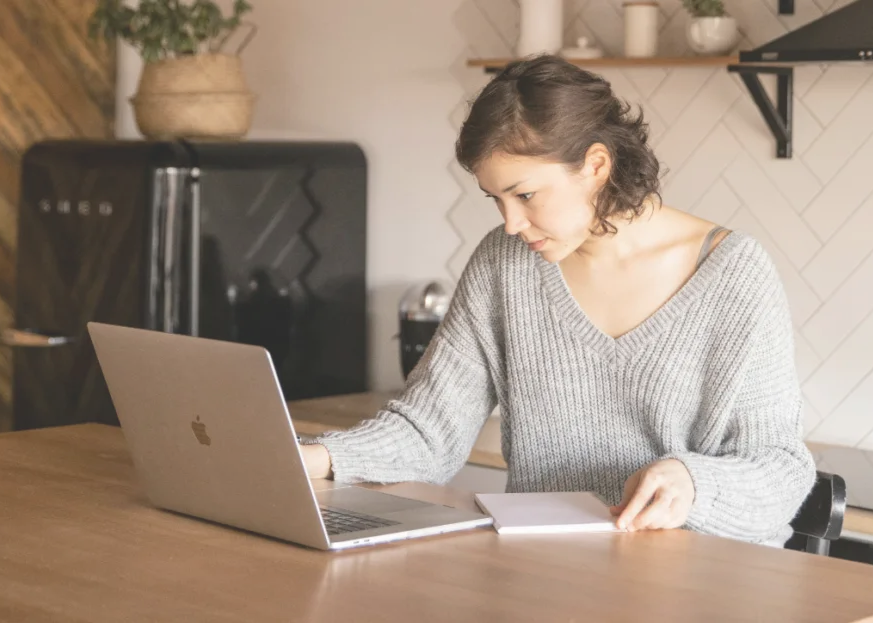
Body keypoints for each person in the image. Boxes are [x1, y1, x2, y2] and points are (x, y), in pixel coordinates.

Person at [300, 54, 816, 548]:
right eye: (497, 199)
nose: (511, 223)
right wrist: (316, 457)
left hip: (698, 576)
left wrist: (694, 483)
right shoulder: (504, 263)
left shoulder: (733, 274)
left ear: (596, 165)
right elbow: (429, 431)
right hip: (546, 569)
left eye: (524, 195)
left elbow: (780, 469)